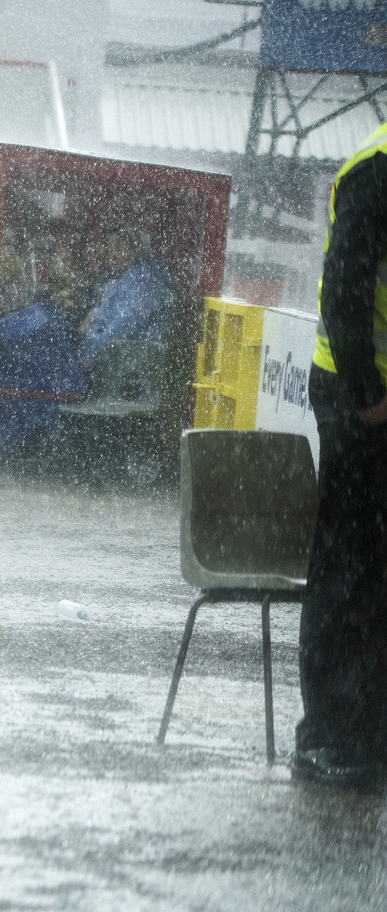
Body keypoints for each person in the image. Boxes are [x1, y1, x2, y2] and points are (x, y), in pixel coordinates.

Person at [291, 121, 387, 790]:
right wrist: (366, 391)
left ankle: (370, 735)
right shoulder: (374, 170)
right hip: (361, 399)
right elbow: (342, 290)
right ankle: (331, 734)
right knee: (349, 565)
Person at [78, 227, 174, 367]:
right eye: (110, 251)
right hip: (120, 355)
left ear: (136, 250)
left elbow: (126, 322)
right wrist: (94, 316)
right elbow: (110, 310)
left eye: (119, 248)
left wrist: (93, 352)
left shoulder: (143, 280)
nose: (113, 256)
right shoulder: (126, 278)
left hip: (133, 360)